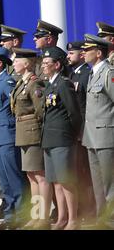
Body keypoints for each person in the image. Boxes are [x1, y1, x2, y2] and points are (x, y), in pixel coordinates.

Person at [41, 46, 82, 230]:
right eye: (42, 63)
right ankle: (61, 218)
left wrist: (71, 136)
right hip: (49, 139)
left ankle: (73, 219)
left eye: (46, 63)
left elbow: (74, 113)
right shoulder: (50, 84)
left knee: (66, 181)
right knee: (56, 182)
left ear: (57, 65)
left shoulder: (63, 84)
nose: (43, 66)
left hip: (63, 139)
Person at [0, 47, 25, 230]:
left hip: (7, 135)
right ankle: (9, 215)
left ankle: (20, 214)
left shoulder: (7, 82)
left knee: (13, 177)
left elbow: (15, 106)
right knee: (4, 180)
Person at [10, 48, 50, 230]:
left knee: (40, 176)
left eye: (17, 61)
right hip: (23, 133)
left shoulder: (34, 83)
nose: (14, 63)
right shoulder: (22, 83)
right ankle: (36, 216)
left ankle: (44, 217)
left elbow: (40, 111)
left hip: (32, 132)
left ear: (26, 64)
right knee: (31, 176)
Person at [81, 34, 114, 229]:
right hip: (92, 136)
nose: (84, 53)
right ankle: (103, 218)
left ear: (99, 53)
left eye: (88, 50)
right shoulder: (93, 73)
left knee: (109, 183)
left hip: (106, 135)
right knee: (98, 183)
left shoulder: (108, 73)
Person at [66, 41, 97, 224]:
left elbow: (85, 106)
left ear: (82, 55)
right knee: (77, 172)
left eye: (72, 53)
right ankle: (82, 210)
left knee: (86, 173)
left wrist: (81, 130)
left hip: (84, 131)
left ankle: (90, 211)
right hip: (74, 131)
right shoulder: (72, 73)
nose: (69, 56)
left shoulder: (86, 74)